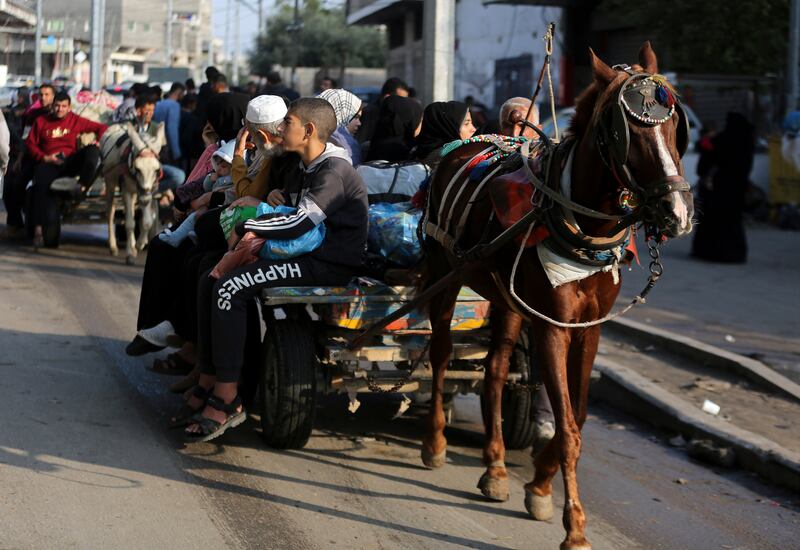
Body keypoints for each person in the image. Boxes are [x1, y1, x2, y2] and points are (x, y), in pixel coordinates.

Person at [184, 98, 367, 441]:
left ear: (309, 131)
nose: (281, 129)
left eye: (289, 123)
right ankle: (208, 377)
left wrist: (249, 229)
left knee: (230, 288)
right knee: (214, 277)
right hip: (304, 254)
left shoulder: (334, 171)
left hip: (326, 263)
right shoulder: (305, 164)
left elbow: (300, 222)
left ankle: (228, 397)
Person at [25, 91, 107, 248]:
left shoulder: (75, 120)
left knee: (92, 152)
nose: (60, 109)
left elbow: (102, 127)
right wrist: (44, 157)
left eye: (64, 106)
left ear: (69, 107)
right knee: (40, 187)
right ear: (52, 106)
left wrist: (97, 142)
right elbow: (30, 144)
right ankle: (38, 229)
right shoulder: (41, 121)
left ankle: (81, 186)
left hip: (69, 162)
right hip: (48, 162)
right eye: (57, 106)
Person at [691, 112, 754, 263]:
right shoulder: (747, 141)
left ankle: (709, 251)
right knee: (733, 223)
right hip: (737, 189)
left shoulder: (724, 140)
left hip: (718, 189)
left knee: (713, 221)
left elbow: (705, 149)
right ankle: (734, 253)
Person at [159, 140, 236, 248]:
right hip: (208, 205)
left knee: (203, 215)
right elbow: (206, 187)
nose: (219, 169)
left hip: (223, 207)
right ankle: (175, 237)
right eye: (217, 165)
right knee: (195, 216)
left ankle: (197, 234)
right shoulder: (215, 175)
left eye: (223, 167)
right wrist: (210, 179)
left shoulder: (233, 180)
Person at [364, 95, 423, 163]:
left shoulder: (368, 148)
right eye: (420, 120)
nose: (421, 125)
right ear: (409, 121)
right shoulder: (412, 156)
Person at [356, 77, 410, 144]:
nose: (403, 104)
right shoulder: (368, 114)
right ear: (387, 97)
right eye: (401, 100)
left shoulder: (399, 116)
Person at [317, 88, 363, 165]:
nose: (359, 123)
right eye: (356, 117)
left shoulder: (314, 134)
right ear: (342, 112)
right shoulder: (343, 143)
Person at [154, 82, 186, 165]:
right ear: (179, 92)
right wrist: (176, 152)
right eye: (183, 93)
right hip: (168, 146)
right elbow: (172, 129)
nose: (183, 96)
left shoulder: (159, 104)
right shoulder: (174, 105)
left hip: (157, 144)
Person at [179, 94, 204, 173]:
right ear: (191, 104)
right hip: (187, 152)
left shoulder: (178, 114)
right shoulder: (192, 119)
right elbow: (187, 137)